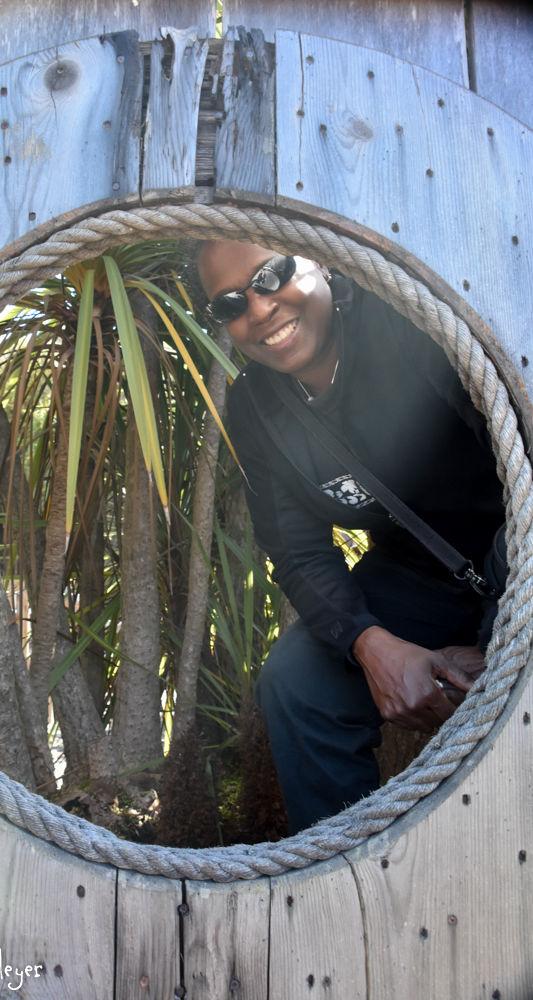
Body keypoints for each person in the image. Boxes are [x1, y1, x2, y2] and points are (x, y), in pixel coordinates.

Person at [191, 239, 504, 835]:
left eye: (270, 275)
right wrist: (371, 643)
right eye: (229, 303)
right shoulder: (257, 408)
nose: (258, 310)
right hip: (419, 577)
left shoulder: (408, 324)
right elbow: (299, 551)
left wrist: (496, 646)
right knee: (296, 683)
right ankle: (346, 880)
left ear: (321, 261)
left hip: (516, 548)